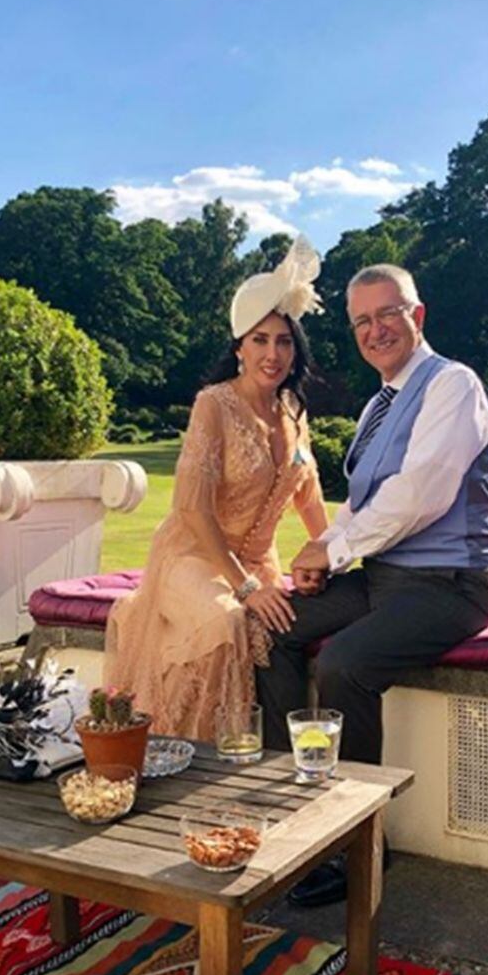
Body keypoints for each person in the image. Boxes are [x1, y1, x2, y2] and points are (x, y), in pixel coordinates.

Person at [256, 263, 488, 905]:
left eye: (386, 314)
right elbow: (365, 503)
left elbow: (419, 493)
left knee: (345, 664)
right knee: (269, 627)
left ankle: (360, 842)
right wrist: (322, 564)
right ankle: (301, 804)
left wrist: (332, 548)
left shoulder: (453, 385)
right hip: (385, 578)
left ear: (416, 316)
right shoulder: (377, 404)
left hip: (451, 583)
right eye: (361, 320)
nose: (375, 330)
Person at [104, 237, 329, 740]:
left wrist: (328, 554)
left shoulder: (294, 411)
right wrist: (246, 588)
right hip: (192, 558)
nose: (274, 353)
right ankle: (192, 752)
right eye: (260, 340)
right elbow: (193, 512)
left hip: (258, 562)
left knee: (278, 624)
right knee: (225, 622)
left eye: (285, 341)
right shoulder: (214, 404)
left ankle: (255, 755)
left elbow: (308, 496)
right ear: (239, 349)